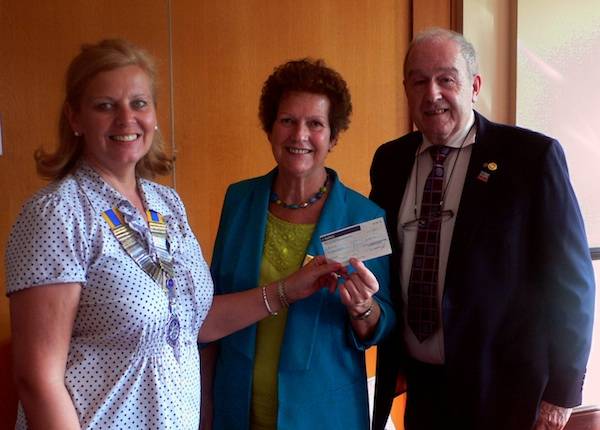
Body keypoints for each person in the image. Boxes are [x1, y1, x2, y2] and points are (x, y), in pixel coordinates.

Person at [5, 39, 341, 430]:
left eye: (139, 103)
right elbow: (37, 379)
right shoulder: (58, 214)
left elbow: (191, 320)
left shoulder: (165, 205)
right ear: (75, 118)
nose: (126, 119)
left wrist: (288, 289)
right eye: (105, 106)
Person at [370, 28, 595, 430]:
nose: (432, 93)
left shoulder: (531, 157)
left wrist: (561, 392)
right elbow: (382, 257)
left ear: (474, 85)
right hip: (424, 387)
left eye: (446, 79)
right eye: (419, 81)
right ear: (405, 88)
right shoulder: (391, 161)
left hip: (505, 388)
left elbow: (571, 283)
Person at [201, 58, 396, 429]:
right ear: (270, 127)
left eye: (315, 124)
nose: (299, 135)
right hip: (236, 408)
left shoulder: (363, 215)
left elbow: (380, 326)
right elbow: (212, 308)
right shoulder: (239, 200)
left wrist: (363, 310)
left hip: (323, 414)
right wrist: (204, 409)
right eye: (287, 120)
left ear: (333, 136)